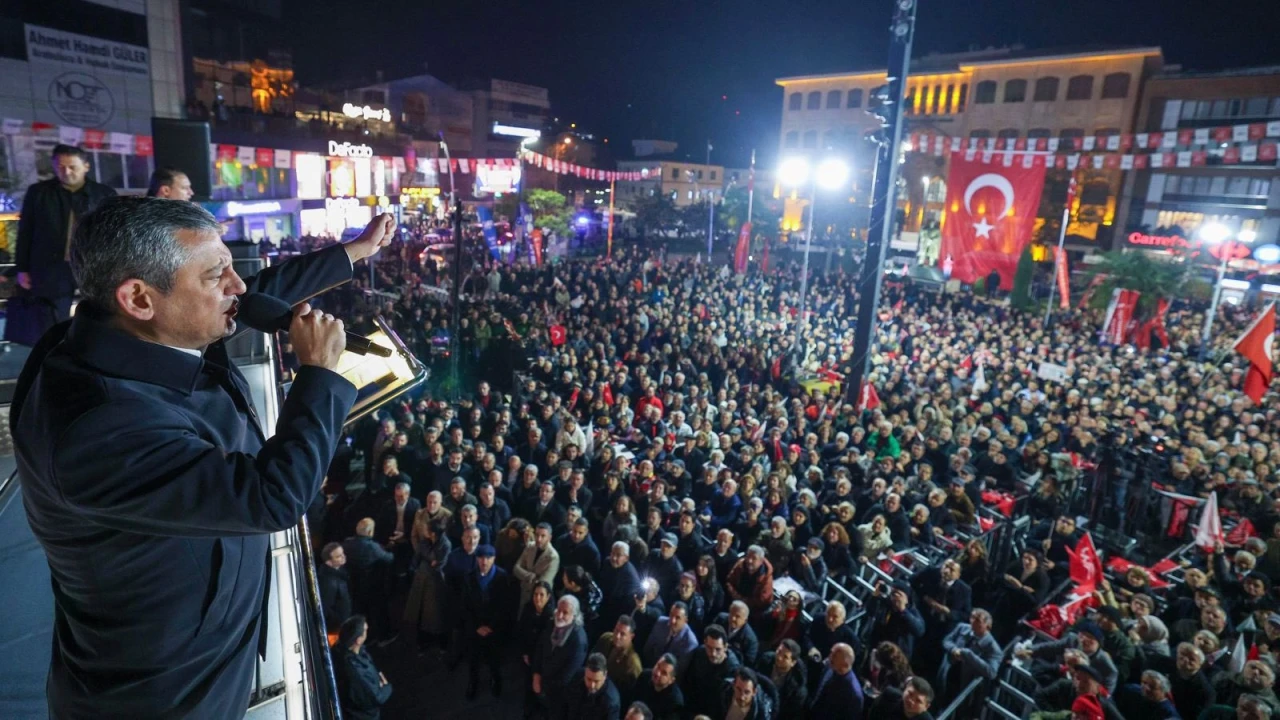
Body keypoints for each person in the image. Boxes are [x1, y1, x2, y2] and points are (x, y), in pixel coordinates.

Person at [13, 199, 392, 717]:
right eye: (217, 275)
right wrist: (321, 376)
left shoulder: (121, 333)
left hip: (204, 654)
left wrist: (351, 253)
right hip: (167, 693)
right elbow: (272, 497)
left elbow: (250, 296)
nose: (237, 285)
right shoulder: (97, 430)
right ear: (139, 298)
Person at [12, 144, 116, 342]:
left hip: (91, 265)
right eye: (60, 167)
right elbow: (26, 231)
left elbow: (112, 233)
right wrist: (22, 268)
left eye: (72, 167)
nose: (66, 172)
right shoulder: (39, 192)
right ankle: (54, 358)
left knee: (97, 314)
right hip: (50, 265)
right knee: (52, 318)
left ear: (86, 166)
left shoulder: (103, 194)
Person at [462, 544, 513, 700]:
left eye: (488, 558)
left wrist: (491, 626)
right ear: (476, 559)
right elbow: (465, 606)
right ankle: (473, 681)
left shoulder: (502, 577)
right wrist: (477, 626)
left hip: (494, 627)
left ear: (494, 559)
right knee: (473, 657)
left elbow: (504, 605)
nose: (484, 561)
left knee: (494, 657)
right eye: (481, 558)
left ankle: (495, 679)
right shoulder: (469, 577)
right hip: (475, 627)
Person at [533, 595, 589, 717]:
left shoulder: (578, 640)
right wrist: (536, 673)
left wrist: (543, 686)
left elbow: (567, 675)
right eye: (559, 610)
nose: (559, 616)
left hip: (559, 693)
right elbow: (540, 646)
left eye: (565, 613)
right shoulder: (552, 623)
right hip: (543, 681)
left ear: (574, 616)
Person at [344, 517, 395, 645]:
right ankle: (382, 637)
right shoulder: (372, 547)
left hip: (353, 584)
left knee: (359, 610)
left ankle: (361, 638)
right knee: (377, 610)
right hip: (371, 584)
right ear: (369, 532)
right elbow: (389, 559)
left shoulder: (347, 543)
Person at [335, 615, 393, 720]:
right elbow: (376, 697)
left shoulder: (342, 650)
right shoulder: (355, 671)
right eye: (365, 630)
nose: (367, 630)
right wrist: (386, 687)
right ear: (358, 640)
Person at [682, 624, 741, 718]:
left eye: (718, 649)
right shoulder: (700, 653)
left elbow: (724, 702)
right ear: (705, 643)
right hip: (694, 706)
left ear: (725, 647)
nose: (713, 654)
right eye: (709, 648)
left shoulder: (732, 669)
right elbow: (690, 681)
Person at [514, 522, 562, 615]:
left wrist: (523, 577)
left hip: (539, 599)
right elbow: (516, 568)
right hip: (523, 593)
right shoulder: (530, 546)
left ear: (549, 538)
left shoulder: (553, 557)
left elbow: (543, 583)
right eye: (537, 535)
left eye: (543, 536)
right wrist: (530, 575)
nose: (539, 539)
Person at [559, 652, 622, 720]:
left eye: (596, 681)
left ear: (605, 675)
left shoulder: (611, 702)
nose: (592, 685)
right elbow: (564, 704)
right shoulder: (578, 676)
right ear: (585, 671)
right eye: (589, 679)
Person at [592, 615, 644, 696]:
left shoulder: (633, 665)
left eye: (622, 634)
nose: (617, 636)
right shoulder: (605, 638)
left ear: (631, 636)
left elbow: (629, 693)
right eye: (616, 630)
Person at [809, 643, 863, 719]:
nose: (829, 657)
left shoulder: (853, 693)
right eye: (831, 653)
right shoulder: (830, 667)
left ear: (845, 664)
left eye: (835, 656)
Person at [631, 654, 685, 720]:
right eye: (658, 666)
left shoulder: (675, 701)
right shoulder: (644, 676)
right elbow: (631, 701)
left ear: (671, 680)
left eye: (664, 673)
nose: (657, 673)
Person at [319, 542, 353, 634]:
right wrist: (339, 622)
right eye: (338, 556)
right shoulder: (328, 583)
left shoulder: (340, 571)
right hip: (336, 629)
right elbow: (326, 609)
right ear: (329, 562)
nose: (343, 557)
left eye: (343, 553)